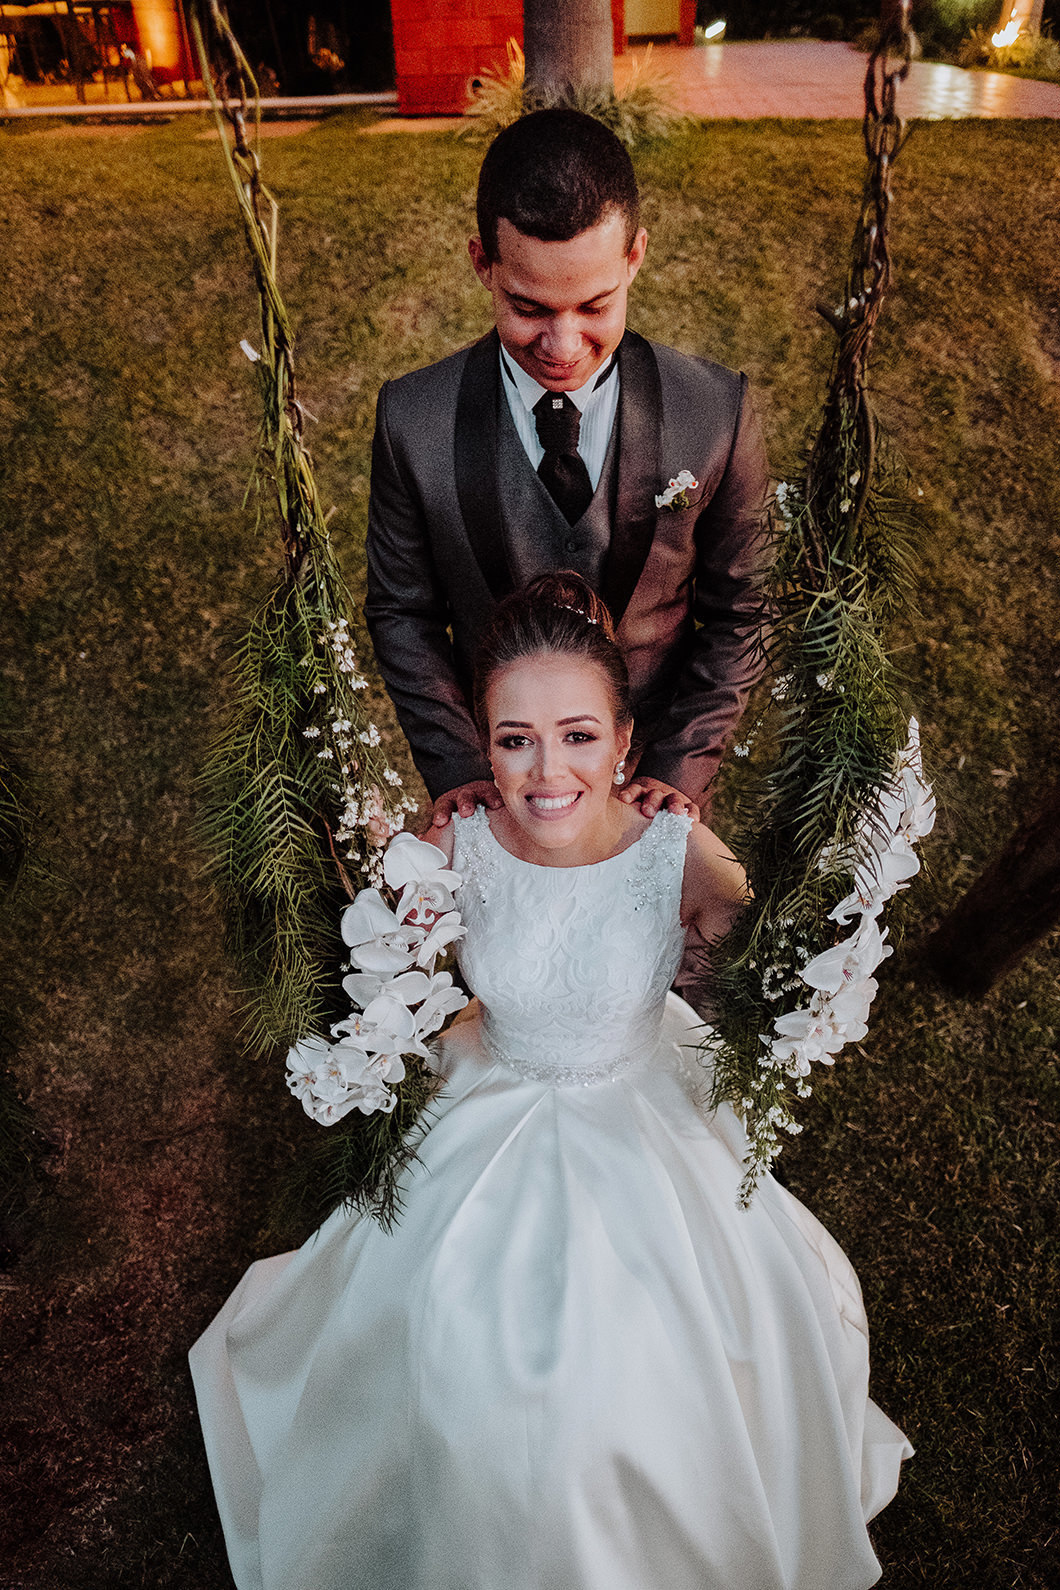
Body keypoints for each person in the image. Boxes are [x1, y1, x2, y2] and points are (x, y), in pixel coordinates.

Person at [190, 572, 910, 1590]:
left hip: (639, 1111)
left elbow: (758, 949)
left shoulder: (674, 846)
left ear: (626, 742)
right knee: (444, 1329)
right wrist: (405, 914)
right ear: (481, 745)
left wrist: (803, 946)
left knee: (644, 1366)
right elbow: (390, 959)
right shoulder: (465, 839)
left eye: (577, 736)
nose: (545, 772)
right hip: (493, 1089)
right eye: (513, 739)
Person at [365, 108, 771, 829]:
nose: (562, 343)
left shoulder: (716, 412)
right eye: (527, 307)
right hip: (500, 789)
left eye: (594, 305)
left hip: (651, 789)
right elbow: (404, 612)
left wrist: (678, 768)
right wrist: (464, 770)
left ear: (635, 257)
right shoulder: (412, 420)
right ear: (482, 263)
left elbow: (745, 608)